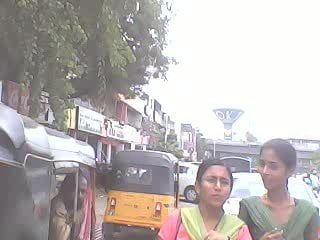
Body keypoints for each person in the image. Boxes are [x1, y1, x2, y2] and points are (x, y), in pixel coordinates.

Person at [239, 139, 318, 240]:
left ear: (290, 170)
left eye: (273, 166)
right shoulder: (249, 207)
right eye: (262, 164)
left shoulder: (307, 211)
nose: (265, 171)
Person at [158, 160, 252, 240]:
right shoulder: (179, 219)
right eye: (211, 180)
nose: (218, 187)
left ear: (230, 190)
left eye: (224, 182)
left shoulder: (239, 230)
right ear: (198, 186)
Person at [49, 174, 88, 240]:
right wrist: (73, 220)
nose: (79, 195)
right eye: (76, 190)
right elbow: (60, 237)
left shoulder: (75, 204)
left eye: (83, 191)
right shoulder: (58, 207)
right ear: (67, 189)